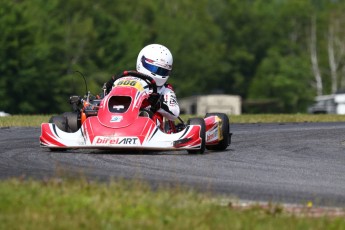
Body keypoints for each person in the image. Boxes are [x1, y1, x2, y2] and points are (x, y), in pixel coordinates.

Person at [105, 44, 180, 122]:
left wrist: (158, 104)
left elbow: (175, 112)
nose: (158, 73)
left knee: (146, 115)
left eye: (162, 71)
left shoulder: (165, 89)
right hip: (117, 117)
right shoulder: (122, 80)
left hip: (147, 123)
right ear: (142, 61)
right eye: (153, 68)